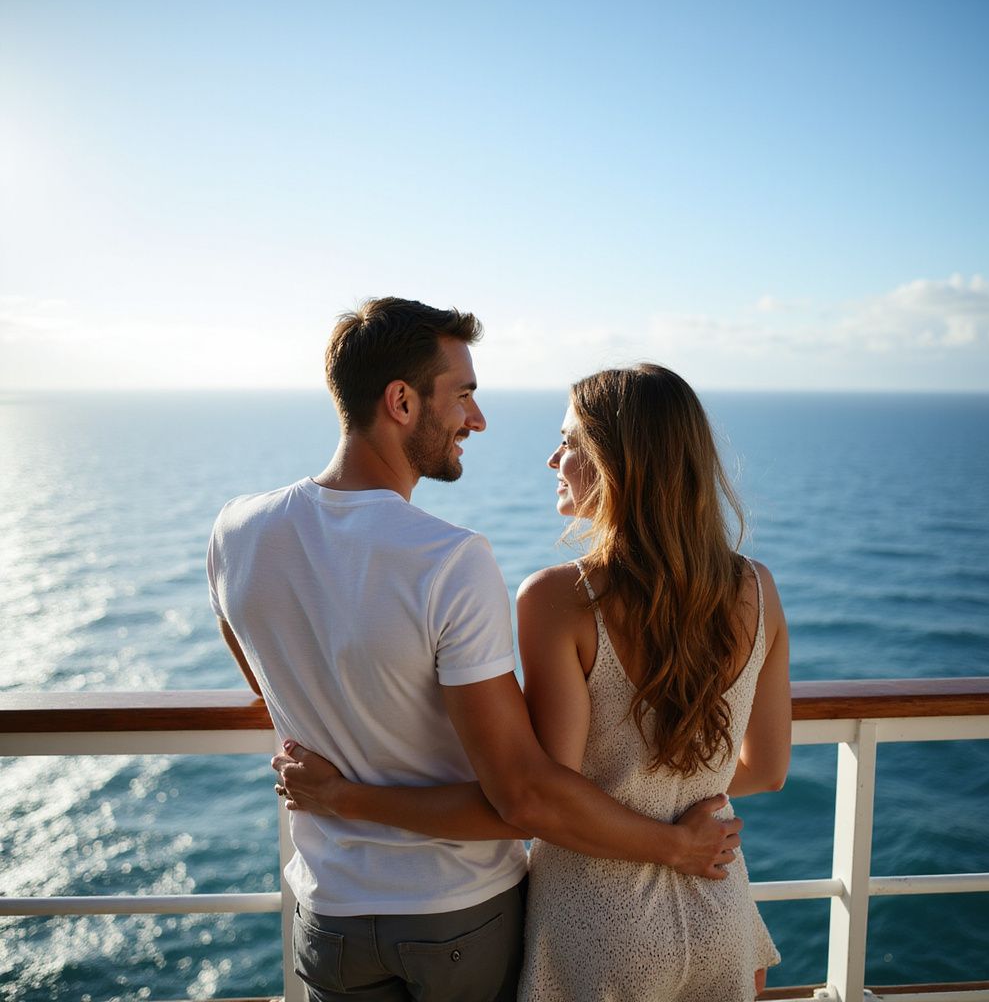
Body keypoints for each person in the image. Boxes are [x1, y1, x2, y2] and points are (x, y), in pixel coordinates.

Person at [208, 299, 744, 1002]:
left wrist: (337, 786)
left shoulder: (237, 531)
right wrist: (676, 846)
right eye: (463, 395)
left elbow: (267, 681)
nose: (478, 419)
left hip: (329, 909)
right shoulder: (449, 561)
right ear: (401, 401)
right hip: (457, 915)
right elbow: (520, 797)